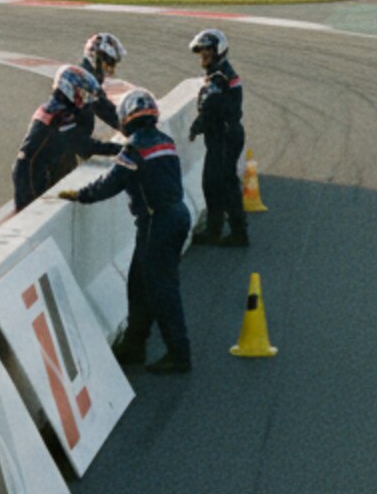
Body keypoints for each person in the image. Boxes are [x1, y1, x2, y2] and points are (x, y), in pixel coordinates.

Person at [55, 86, 193, 373]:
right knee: (139, 285)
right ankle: (135, 346)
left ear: (128, 117)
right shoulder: (165, 141)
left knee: (161, 290)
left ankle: (178, 354)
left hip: (158, 222)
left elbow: (112, 183)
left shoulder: (134, 148)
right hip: (177, 215)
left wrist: (82, 195)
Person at [11, 32, 126, 209]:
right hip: (35, 173)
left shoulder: (65, 106)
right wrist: (123, 148)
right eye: (108, 62)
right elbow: (84, 145)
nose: (110, 69)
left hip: (53, 162)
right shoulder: (60, 114)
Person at [186, 27, 249, 248]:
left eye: (208, 51)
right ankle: (218, 231)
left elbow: (214, 108)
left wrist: (197, 125)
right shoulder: (219, 74)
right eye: (202, 51)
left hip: (225, 137)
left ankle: (237, 233)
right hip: (223, 136)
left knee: (223, 185)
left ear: (218, 51)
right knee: (214, 184)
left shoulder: (220, 77)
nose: (203, 56)